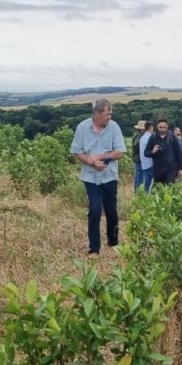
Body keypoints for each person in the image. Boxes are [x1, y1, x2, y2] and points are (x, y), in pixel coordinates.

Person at [69, 99, 126, 258]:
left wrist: (100, 157)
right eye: (107, 114)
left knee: (111, 210)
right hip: (90, 177)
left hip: (109, 176)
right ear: (97, 113)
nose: (109, 117)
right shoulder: (82, 127)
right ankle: (94, 249)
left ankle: (113, 242)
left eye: (111, 114)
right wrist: (91, 162)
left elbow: (119, 152)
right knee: (94, 210)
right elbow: (77, 151)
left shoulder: (114, 127)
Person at [144, 118, 182, 185]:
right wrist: (152, 151)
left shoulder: (172, 137)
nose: (162, 129)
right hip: (158, 169)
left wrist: (181, 168)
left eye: (164, 127)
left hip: (171, 169)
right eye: (160, 127)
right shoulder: (153, 137)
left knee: (169, 188)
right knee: (158, 190)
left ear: (167, 126)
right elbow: (146, 153)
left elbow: (179, 153)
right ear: (157, 126)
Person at [139, 121, 154, 192]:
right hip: (150, 163)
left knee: (146, 182)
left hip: (144, 163)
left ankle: (145, 197)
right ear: (151, 128)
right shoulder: (150, 137)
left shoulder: (141, 138)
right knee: (152, 182)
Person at [131, 120, 146, 191]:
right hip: (138, 159)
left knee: (138, 177)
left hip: (137, 158)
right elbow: (136, 145)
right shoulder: (138, 135)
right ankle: (137, 193)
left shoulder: (136, 134)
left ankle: (136, 192)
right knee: (139, 177)